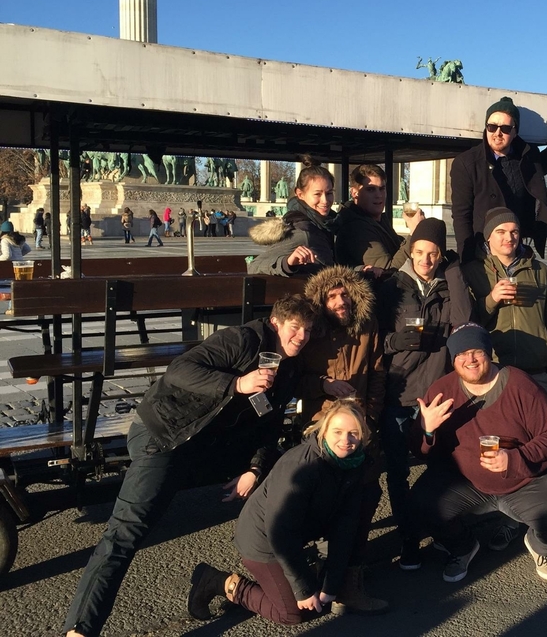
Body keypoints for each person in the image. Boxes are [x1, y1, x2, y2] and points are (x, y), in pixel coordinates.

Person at [63, 294, 316, 637]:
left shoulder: (288, 368)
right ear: (275, 323)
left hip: (207, 444)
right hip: (166, 434)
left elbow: (268, 426)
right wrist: (236, 384)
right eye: (295, 327)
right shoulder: (242, 340)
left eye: (308, 330)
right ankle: (80, 628)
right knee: (126, 532)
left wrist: (255, 469)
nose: (301, 336)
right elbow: (179, 370)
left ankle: (300, 570)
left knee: (288, 470)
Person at [409, 323, 547, 583]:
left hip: (524, 479)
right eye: (461, 354)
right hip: (467, 482)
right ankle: (463, 547)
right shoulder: (442, 391)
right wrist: (427, 430)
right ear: (453, 359)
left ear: (489, 353)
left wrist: (515, 458)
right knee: (420, 504)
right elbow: (421, 452)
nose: (470, 360)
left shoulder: (521, 385)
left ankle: (539, 545)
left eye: (476, 351)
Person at [188, 399, 369, 625]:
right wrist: (303, 588)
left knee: (317, 599)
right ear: (324, 431)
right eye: (338, 431)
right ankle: (217, 581)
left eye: (353, 433)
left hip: (298, 534)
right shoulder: (301, 466)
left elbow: (345, 526)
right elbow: (281, 533)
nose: (346, 440)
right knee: (292, 614)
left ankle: (296, 579)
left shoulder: (354, 463)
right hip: (263, 538)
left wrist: (332, 585)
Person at [461, 207, 547, 551]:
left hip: (535, 371)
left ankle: (545, 523)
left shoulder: (538, 269)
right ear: (488, 237)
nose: (509, 238)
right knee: (502, 447)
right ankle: (506, 515)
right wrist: (491, 299)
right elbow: (466, 321)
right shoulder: (474, 272)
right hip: (496, 374)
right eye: (501, 232)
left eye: (514, 231)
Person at [375, 218, 473, 570]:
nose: (425, 260)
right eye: (419, 252)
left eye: (433, 254)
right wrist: (394, 341)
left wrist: (455, 269)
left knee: (440, 466)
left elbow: (464, 319)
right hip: (400, 394)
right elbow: (372, 340)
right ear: (410, 251)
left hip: (436, 391)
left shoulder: (448, 285)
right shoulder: (392, 287)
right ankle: (408, 538)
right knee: (398, 471)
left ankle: (443, 530)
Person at [298, 265, 389, 614]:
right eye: (332, 296)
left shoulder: (368, 325)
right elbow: (294, 376)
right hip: (321, 428)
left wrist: (371, 417)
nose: (340, 301)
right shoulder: (312, 331)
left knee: (365, 498)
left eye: (345, 294)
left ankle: (350, 581)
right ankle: (318, 574)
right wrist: (323, 384)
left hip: (360, 427)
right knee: (323, 501)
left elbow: (377, 372)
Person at [450, 96, 547, 262]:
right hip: (482, 251)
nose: (497, 133)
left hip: (516, 246)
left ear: (515, 132)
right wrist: (466, 258)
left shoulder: (527, 155)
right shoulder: (466, 163)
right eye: (492, 127)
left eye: (505, 128)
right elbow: (461, 215)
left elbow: (540, 169)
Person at [248, 158, 338, 276]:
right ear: (300, 194)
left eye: (329, 193)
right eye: (317, 194)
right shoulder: (302, 232)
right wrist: (287, 262)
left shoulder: (330, 224)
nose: (325, 201)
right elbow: (254, 266)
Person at [335, 164, 421, 270]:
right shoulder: (356, 228)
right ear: (354, 193)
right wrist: (414, 231)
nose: (379, 195)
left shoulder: (378, 220)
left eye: (382, 189)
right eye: (371, 189)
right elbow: (387, 270)